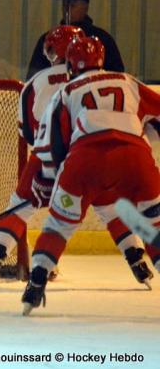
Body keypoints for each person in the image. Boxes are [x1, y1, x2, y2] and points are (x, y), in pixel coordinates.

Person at [0, 25, 150, 286]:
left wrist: (44, 156)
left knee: (21, 204)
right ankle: (135, 256)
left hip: (46, 156)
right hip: (88, 156)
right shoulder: (109, 78)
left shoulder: (36, 82)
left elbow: (27, 128)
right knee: (109, 207)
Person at [21, 36, 160, 315]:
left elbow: (50, 144)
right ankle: (140, 256)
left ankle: (36, 281)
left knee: (59, 225)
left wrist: (47, 178)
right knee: (153, 226)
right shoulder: (127, 81)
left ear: (70, 63)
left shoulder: (67, 90)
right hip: (134, 159)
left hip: (85, 162)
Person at [26, 0, 124, 79]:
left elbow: (116, 75)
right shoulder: (48, 39)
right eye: (64, 5)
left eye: (72, 5)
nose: (66, 10)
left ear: (85, 8)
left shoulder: (101, 39)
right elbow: (34, 75)